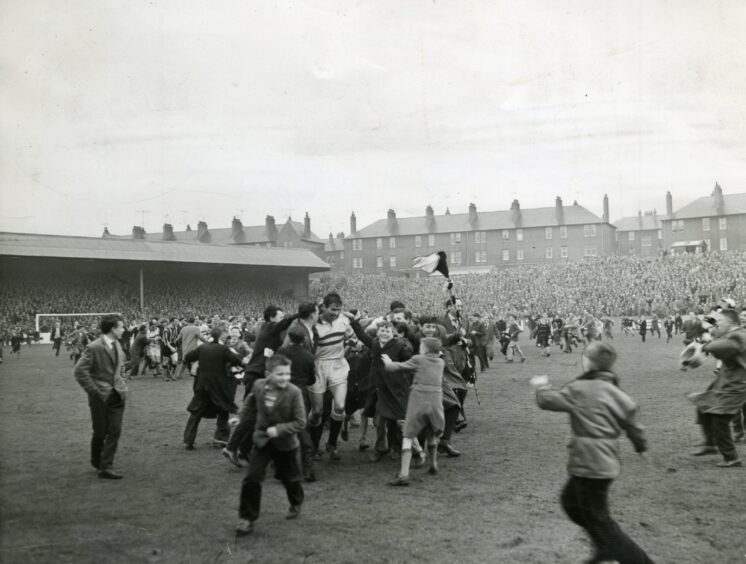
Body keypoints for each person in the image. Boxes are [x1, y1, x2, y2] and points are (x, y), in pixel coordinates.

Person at [530, 341, 653, 564]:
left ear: (587, 362)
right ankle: (604, 549)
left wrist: (541, 386)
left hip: (589, 462)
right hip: (605, 460)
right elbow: (631, 420)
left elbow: (549, 401)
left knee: (599, 517)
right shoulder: (613, 389)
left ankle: (639, 561)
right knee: (571, 502)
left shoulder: (580, 388)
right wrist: (640, 445)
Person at [235, 354, 306, 536]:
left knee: (288, 477)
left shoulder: (294, 393)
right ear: (268, 374)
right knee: (252, 477)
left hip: (285, 444)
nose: (285, 378)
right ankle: (247, 518)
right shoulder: (259, 385)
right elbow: (251, 401)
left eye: (287, 374)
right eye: (279, 374)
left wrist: (280, 429)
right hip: (262, 440)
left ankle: (296, 500)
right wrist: (240, 416)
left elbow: (300, 422)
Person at [382, 337, 444, 486]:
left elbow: (395, 368)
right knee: (430, 430)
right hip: (435, 398)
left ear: (426, 350)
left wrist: (387, 361)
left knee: (408, 435)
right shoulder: (441, 362)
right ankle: (433, 463)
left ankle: (404, 474)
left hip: (419, 398)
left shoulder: (418, 359)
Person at [688, 308, 746, 467]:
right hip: (726, 381)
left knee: (720, 419)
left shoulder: (738, 336)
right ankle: (710, 445)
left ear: (729, 322)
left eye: (720, 322)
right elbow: (722, 350)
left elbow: (725, 347)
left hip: (736, 385)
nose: (717, 325)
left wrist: (705, 345)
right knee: (703, 406)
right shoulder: (731, 335)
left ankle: (732, 458)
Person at [73, 314, 128, 479]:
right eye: (121, 327)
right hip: (100, 396)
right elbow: (79, 371)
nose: (123, 329)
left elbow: (119, 367)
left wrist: (122, 382)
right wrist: (93, 390)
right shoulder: (94, 347)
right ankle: (97, 461)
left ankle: (106, 466)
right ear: (113, 329)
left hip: (118, 394)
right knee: (100, 432)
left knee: (115, 430)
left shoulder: (117, 344)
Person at [182, 327, 246, 450]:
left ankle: (188, 440)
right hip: (218, 386)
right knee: (223, 409)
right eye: (225, 336)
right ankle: (220, 439)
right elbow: (237, 360)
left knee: (196, 412)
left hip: (202, 385)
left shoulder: (203, 347)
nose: (227, 338)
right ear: (220, 337)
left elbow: (188, 357)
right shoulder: (224, 349)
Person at [309, 293, 354, 461]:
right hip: (318, 366)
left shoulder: (343, 321)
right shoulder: (314, 325)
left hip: (338, 365)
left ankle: (332, 444)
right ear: (324, 308)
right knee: (317, 412)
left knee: (340, 406)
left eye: (339, 309)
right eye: (333, 309)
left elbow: (350, 338)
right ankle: (313, 447)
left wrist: (351, 344)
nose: (336, 312)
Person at [275, 326, 317, 482]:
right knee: (303, 429)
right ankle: (308, 467)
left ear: (289, 338)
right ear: (304, 339)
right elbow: (312, 380)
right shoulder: (308, 356)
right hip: (301, 394)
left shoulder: (281, 352)